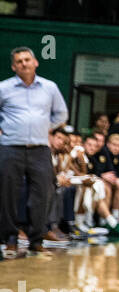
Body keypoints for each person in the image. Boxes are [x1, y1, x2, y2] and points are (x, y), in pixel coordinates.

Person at [0, 47, 69, 257]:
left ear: (35, 62)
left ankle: (36, 240)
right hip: (10, 147)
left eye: (27, 59)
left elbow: (61, 113)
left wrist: (44, 128)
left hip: (40, 148)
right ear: (13, 66)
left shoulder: (49, 87)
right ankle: (10, 238)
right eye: (19, 61)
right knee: (8, 194)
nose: (24, 63)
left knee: (42, 194)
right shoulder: (4, 88)